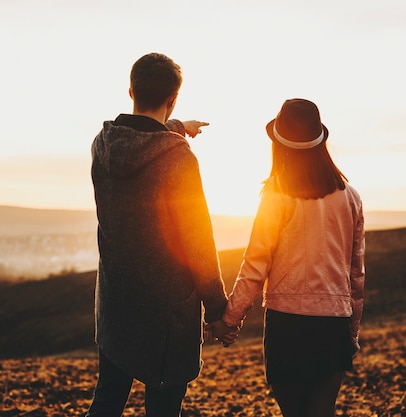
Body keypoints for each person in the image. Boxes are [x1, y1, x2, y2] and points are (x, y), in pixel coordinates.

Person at [86, 52, 228, 417]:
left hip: (116, 304)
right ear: (173, 98)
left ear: (130, 90)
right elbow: (197, 240)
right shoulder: (179, 160)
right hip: (166, 312)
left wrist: (177, 126)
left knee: (107, 399)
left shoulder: (102, 147)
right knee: (163, 409)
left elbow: (142, 141)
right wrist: (216, 307)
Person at [209, 98, 365, 417]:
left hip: (289, 324)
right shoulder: (350, 197)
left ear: (279, 147)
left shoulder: (276, 195)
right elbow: (356, 275)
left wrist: (229, 319)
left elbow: (255, 265)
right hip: (334, 324)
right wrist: (351, 332)